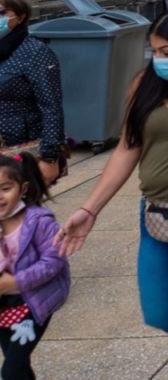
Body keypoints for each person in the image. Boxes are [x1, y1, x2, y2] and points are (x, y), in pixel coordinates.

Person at [55, 7, 168, 379]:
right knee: (157, 313)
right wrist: (90, 210)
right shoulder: (146, 85)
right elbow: (127, 147)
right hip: (154, 211)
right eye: (154, 50)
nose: (160, 60)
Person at [0, 153, 69, 378]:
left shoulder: (39, 221)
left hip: (34, 303)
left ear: (24, 188)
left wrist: (16, 282)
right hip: (4, 306)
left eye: (5, 188)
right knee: (18, 367)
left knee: (10, 372)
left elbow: (54, 261)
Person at [0, 0, 65, 187]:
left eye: (2, 13)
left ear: (20, 17)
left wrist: (50, 157)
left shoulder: (35, 53)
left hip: (19, 149)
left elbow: (51, 106)